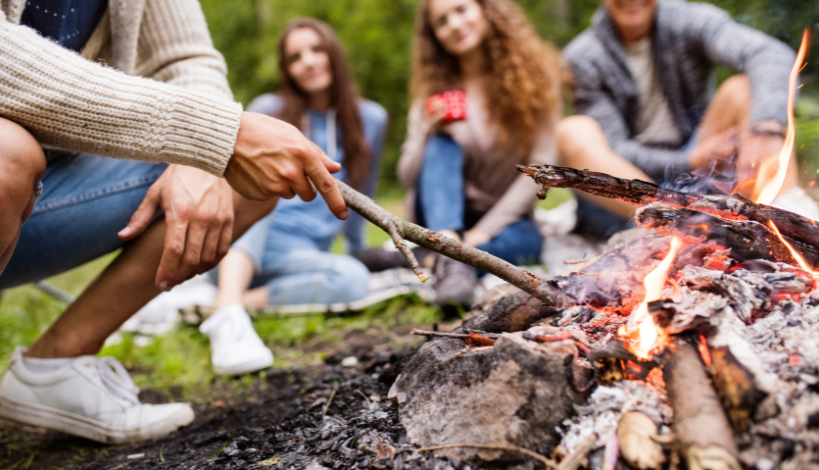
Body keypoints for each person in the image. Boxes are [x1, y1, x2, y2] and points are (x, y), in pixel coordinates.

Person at [0, 0, 348, 444]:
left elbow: (187, 59)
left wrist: (204, 158)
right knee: (7, 156)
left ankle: (51, 370)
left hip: (48, 197)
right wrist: (212, 133)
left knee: (241, 181)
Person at [195, 18, 387, 376]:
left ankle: (230, 304)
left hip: (299, 259)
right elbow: (237, 184)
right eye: (296, 57)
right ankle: (228, 307)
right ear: (288, 70)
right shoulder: (269, 110)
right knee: (261, 196)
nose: (309, 61)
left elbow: (364, 190)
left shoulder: (370, 118)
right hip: (244, 241)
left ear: (333, 54)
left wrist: (358, 248)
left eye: (316, 50)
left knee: (353, 278)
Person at [559, 0, 818, 240]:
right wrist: (690, 160)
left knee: (744, 89)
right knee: (571, 131)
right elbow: (616, 148)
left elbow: (770, 54)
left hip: (698, 182)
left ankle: (787, 220)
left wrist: (767, 126)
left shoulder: (689, 21)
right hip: (625, 196)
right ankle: (671, 221)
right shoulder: (582, 57)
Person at [396, 0, 562, 309]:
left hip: (502, 216)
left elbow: (541, 168)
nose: (455, 24)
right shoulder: (434, 92)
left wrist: (482, 232)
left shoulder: (535, 80)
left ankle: (443, 262)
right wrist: (428, 128)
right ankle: (446, 247)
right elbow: (407, 176)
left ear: (486, 10)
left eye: (461, 9)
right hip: (438, 214)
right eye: (442, 20)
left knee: (528, 243)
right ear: (434, 35)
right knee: (441, 145)